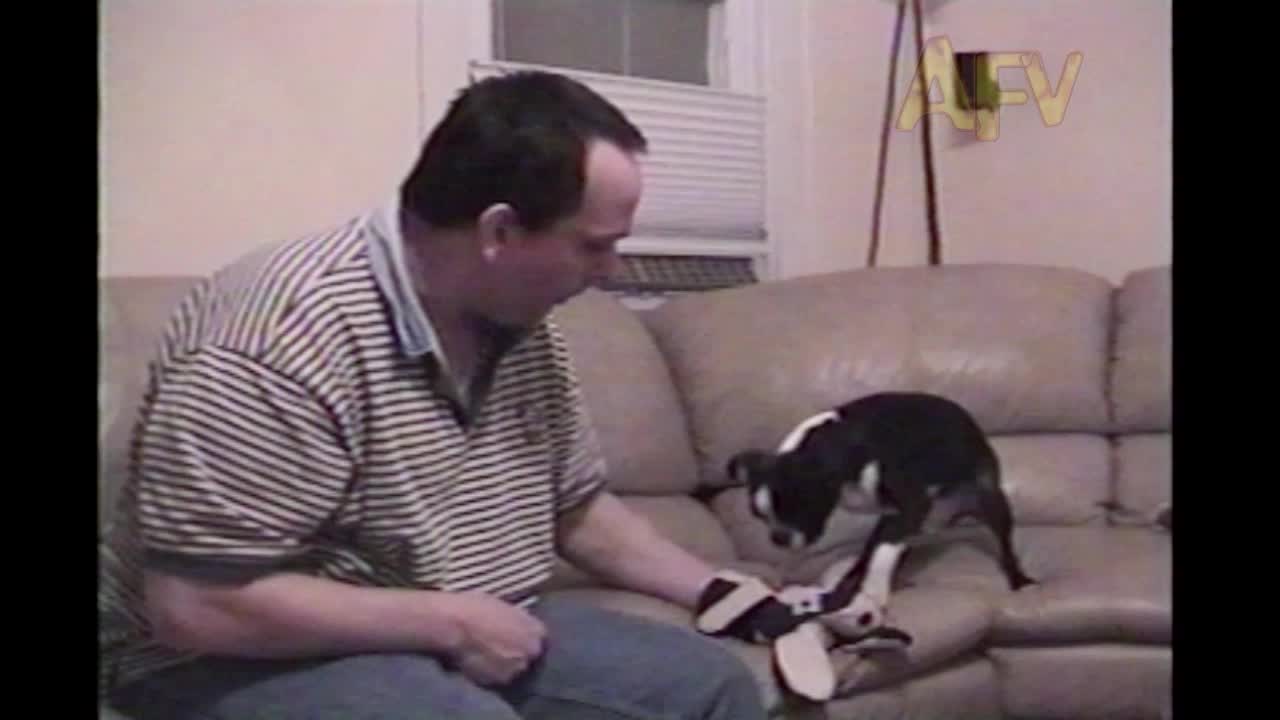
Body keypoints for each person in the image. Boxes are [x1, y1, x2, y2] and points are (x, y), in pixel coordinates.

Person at [99, 70, 779, 719]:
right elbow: (196, 604)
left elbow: (577, 510)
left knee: (709, 687)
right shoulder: (272, 342)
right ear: (499, 231)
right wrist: (449, 621)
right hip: (223, 657)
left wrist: (725, 591)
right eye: (594, 246)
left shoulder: (522, 322)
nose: (611, 271)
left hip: (456, 621)